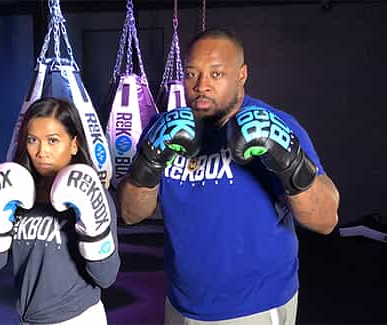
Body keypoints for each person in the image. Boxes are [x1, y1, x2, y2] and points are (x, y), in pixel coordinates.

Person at [118, 29, 340, 325]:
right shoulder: (165, 130)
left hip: (254, 307)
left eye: (216, 74)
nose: (201, 86)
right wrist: (149, 160)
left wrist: (289, 161)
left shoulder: (278, 126)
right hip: (180, 303)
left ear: (242, 75)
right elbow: (131, 214)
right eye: (192, 74)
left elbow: (326, 220)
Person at [0, 97, 120, 325]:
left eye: (53, 140)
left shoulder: (91, 194)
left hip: (78, 318)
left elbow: (106, 277)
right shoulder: (16, 193)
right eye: (33, 140)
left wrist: (92, 227)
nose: (42, 151)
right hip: (29, 319)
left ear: (74, 144)